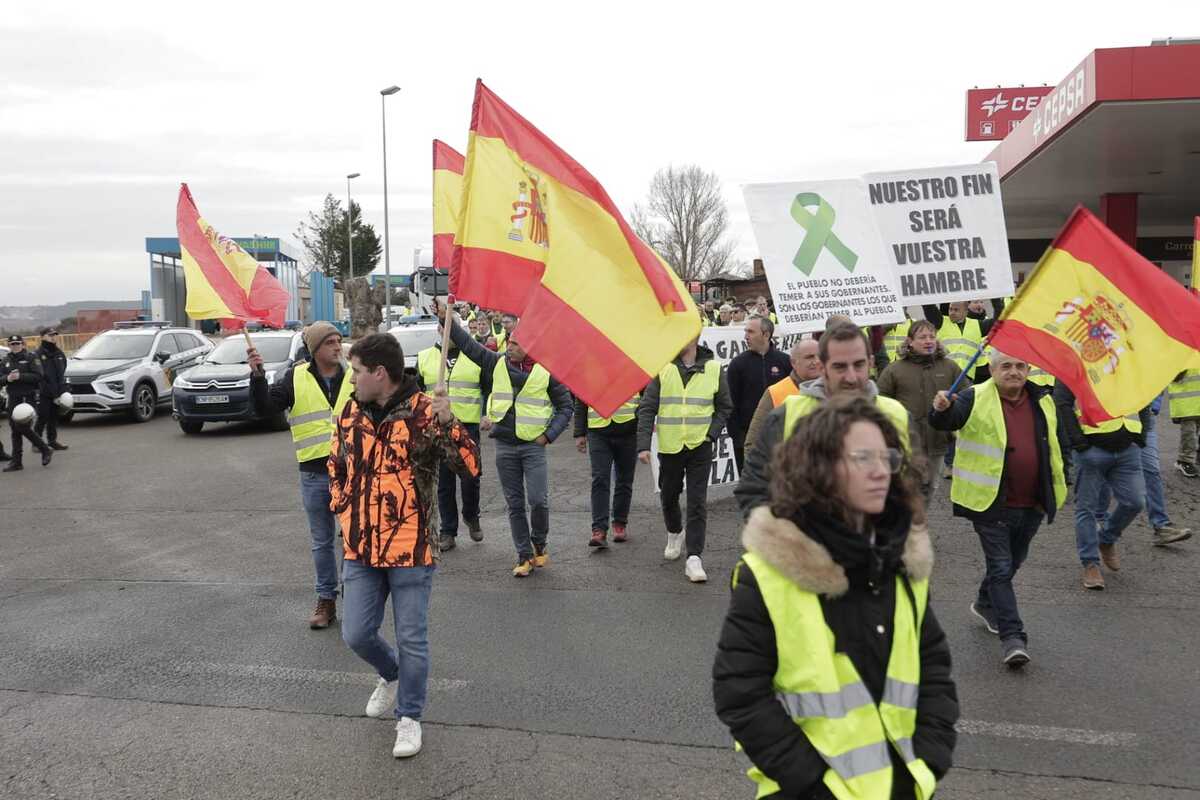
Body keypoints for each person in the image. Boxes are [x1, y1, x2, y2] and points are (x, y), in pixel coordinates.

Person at [713, 397, 958, 799]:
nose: (881, 471)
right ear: (820, 469)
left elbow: (932, 667)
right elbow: (740, 693)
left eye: (888, 457)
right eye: (863, 458)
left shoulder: (903, 560)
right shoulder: (767, 574)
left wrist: (930, 759)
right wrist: (814, 785)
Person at [330, 333, 480, 759]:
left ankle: (409, 716)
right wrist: (342, 509)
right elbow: (336, 463)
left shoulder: (424, 415)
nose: (351, 377)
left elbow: (469, 467)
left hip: (411, 550)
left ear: (380, 374)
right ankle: (391, 673)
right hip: (360, 547)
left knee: (413, 638)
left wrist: (451, 423)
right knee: (357, 633)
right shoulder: (350, 412)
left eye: (357, 371)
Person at [929, 350, 1066, 666]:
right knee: (1002, 567)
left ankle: (984, 602)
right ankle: (1013, 638)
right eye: (1006, 366)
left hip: (1032, 501)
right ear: (991, 369)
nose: (1014, 372)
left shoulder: (1042, 399)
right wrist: (939, 409)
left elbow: (1056, 442)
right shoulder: (972, 396)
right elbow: (946, 419)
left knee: (1013, 561)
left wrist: (1063, 475)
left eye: (1020, 366)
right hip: (990, 502)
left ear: (1029, 369)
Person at [438, 305, 573, 576]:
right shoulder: (495, 362)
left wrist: (548, 435)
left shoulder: (546, 371)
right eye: (510, 342)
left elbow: (565, 407)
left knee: (538, 500)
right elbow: (468, 344)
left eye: (517, 343)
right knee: (514, 504)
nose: (510, 346)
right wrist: (447, 317)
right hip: (505, 446)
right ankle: (523, 555)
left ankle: (539, 543)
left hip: (534, 446)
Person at [737, 323, 912, 519]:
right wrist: (782, 534)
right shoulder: (787, 414)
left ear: (871, 362)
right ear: (823, 366)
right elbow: (753, 485)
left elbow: (915, 481)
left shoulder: (896, 414)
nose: (851, 377)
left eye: (859, 364)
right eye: (839, 366)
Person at [249, 322, 352, 628]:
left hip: (352, 472)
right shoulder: (294, 377)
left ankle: (357, 599)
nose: (337, 346)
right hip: (315, 473)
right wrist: (257, 376)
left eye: (339, 340)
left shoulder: (355, 376)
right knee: (322, 541)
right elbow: (265, 408)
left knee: (353, 540)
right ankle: (326, 601)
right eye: (330, 342)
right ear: (315, 349)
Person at [637, 335, 733, 583]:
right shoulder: (664, 369)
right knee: (669, 496)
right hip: (670, 447)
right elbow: (647, 407)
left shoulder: (713, 368)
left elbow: (725, 407)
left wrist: (711, 435)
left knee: (697, 501)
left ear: (695, 337)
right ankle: (674, 531)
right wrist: (643, 445)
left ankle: (694, 557)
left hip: (699, 445)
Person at [1054, 382, 1149, 590]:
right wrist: (1079, 443)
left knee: (1135, 502)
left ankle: (1106, 539)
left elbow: (1144, 394)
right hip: (1091, 448)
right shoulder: (1077, 358)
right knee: (1086, 508)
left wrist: (1141, 436)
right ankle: (1090, 563)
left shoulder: (1128, 359)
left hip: (1128, 447)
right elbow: (1062, 402)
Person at [877, 320, 966, 499]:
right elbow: (880, 401)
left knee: (930, 489)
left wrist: (954, 401)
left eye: (932, 336)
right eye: (922, 337)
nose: (928, 341)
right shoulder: (895, 369)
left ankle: (918, 522)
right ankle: (910, 524)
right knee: (907, 491)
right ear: (910, 341)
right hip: (907, 444)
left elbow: (966, 396)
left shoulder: (950, 367)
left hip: (938, 441)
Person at [1093, 390, 1192, 547]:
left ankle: (1161, 526)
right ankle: (1099, 520)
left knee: (1151, 470)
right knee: (1105, 466)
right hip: (1111, 414)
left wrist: (1153, 405)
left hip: (1145, 415)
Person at [416, 332, 485, 551]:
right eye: (445, 326)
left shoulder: (474, 356)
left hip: (467, 424)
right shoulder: (425, 356)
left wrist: (488, 412)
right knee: (444, 482)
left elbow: (490, 388)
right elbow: (418, 392)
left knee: (470, 477)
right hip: (437, 427)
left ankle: (471, 515)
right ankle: (448, 531)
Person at [575, 389, 641, 548]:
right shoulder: (590, 368)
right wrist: (579, 433)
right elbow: (581, 399)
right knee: (599, 479)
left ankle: (619, 524)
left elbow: (647, 399)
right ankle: (599, 530)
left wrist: (642, 424)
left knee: (624, 479)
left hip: (628, 430)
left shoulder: (633, 366)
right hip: (598, 431)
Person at [726, 315, 791, 472]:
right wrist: (737, 437)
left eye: (751, 332)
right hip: (747, 438)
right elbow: (730, 403)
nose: (746, 336)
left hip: (780, 437)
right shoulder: (738, 364)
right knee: (751, 488)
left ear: (766, 334)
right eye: (746, 331)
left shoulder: (785, 362)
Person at [744, 338, 823, 458]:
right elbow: (753, 443)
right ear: (793, 362)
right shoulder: (775, 392)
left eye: (820, 356)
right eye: (809, 357)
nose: (816, 361)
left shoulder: (835, 389)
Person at [3, 335, 52, 472]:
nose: (15, 345)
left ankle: (45, 449)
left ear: (22, 344)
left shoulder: (31, 357)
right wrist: (8, 378)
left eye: (17, 343)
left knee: (22, 426)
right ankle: (17, 462)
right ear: (9, 345)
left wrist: (20, 376)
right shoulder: (5, 360)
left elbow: (39, 376)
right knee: (14, 430)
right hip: (13, 397)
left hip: (27, 397)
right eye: (12, 343)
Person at [34, 328, 68, 451]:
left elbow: (62, 371)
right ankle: (36, 443)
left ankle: (52, 441)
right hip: (44, 392)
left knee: (53, 417)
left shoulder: (59, 353)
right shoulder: (37, 354)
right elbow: (40, 377)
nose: (53, 337)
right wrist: (52, 393)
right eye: (50, 335)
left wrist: (61, 391)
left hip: (57, 391)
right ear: (42, 337)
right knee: (43, 417)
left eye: (54, 335)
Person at [1168, 368, 1200, 478]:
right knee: (1189, 434)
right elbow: (1173, 375)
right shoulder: (1183, 352)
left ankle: (1196, 456)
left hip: (1195, 402)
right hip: (1187, 403)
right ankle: (1185, 461)